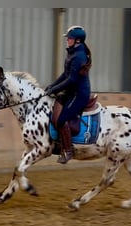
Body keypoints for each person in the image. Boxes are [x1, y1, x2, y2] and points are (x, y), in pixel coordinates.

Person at [45, 25, 92, 164]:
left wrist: (54, 89)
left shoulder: (79, 56)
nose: (67, 40)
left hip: (79, 94)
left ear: (77, 40)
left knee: (61, 120)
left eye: (69, 38)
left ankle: (68, 150)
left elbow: (72, 80)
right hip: (71, 91)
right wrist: (52, 86)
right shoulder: (72, 52)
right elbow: (65, 74)